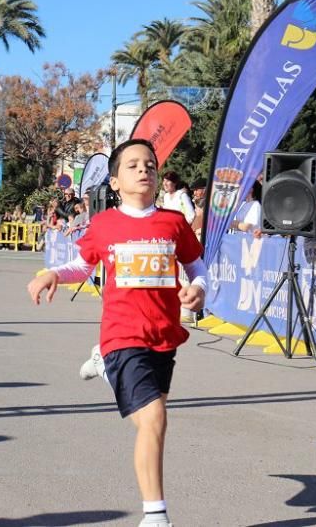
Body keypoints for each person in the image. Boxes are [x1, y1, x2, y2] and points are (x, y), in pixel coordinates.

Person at [26, 139, 207, 527]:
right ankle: (155, 516)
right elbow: (81, 264)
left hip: (164, 335)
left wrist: (199, 290)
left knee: (149, 423)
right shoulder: (105, 224)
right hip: (123, 335)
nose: (144, 171)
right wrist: (54, 273)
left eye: (150, 165)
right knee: (155, 418)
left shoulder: (173, 223)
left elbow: (198, 267)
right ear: (114, 181)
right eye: (133, 165)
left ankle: (104, 367)